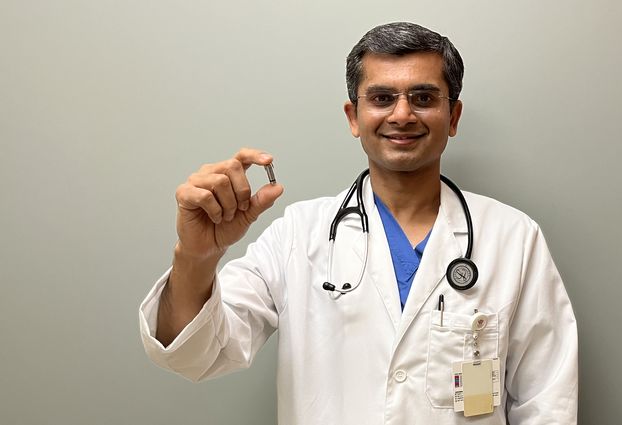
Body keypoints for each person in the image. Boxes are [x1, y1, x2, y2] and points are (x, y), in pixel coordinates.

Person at [139, 22, 578, 424]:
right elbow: (198, 354)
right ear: (354, 117)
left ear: (454, 116)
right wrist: (196, 255)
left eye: (423, 98)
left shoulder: (513, 238)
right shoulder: (298, 234)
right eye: (382, 98)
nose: (402, 115)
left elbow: (547, 401)